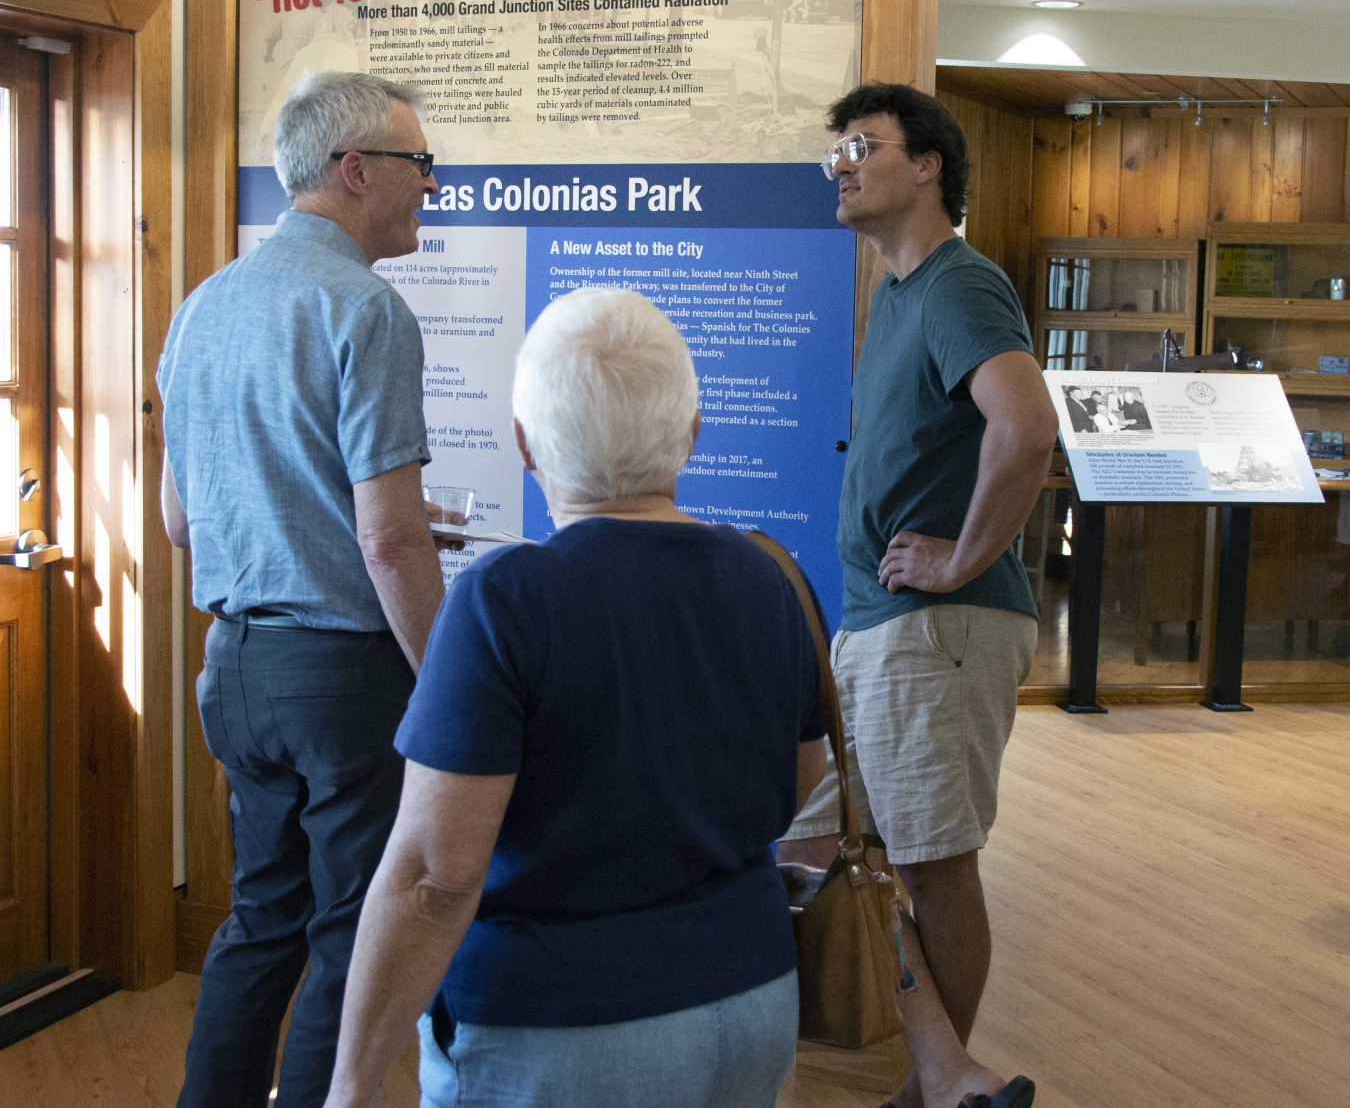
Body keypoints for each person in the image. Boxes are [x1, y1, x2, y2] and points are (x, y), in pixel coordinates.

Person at [320, 289, 829, 1108]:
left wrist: (351, 1083)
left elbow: (433, 879)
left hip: (557, 1029)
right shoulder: (771, 580)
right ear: (693, 433)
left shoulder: (504, 600)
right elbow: (800, 789)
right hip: (752, 1003)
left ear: (524, 445)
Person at [158, 71, 453, 1108]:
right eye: (421, 165)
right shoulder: (366, 308)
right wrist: (452, 678)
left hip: (233, 668)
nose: (432, 185)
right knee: (351, 936)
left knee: (258, 922)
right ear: (356, 170)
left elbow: (182, 523)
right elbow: (389, 540)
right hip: (341, 676)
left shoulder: (200, 306)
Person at [778, 83, 1059, 1108]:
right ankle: (947, 1071)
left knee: (934, 862)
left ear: (929, 163)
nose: (842, 165)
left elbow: (1026, 428)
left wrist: (959, 558)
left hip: (939, 626)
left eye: (864, 145)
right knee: (817, 849)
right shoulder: (901, 292)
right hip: (885, 628)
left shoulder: (957, 284)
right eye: (835, 152)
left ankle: (939, 1086)